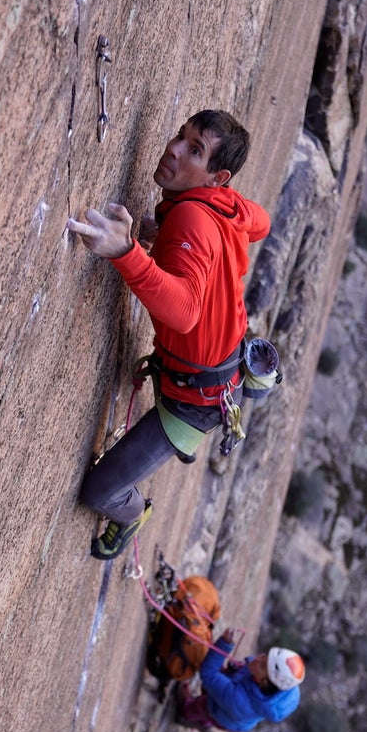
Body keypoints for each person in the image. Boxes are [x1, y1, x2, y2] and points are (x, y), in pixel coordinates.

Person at [67, 109, 271, 560]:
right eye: (182, 136)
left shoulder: (192, 220)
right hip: (215, 367)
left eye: (193, 149)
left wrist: (126, 251)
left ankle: (133, 513)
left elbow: (182, 312)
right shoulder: (225, 204)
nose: (174, 148)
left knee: (100, 492)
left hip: (192, 403)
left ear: (217, 177)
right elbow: (262, 222)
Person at [176, 631, 305, 732]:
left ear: (264, 681)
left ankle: (185, 714)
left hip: (225, 713)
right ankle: (205, 722)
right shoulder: (273, 688)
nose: (257, 658)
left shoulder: (239, 700)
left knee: (202, 705)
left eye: (262, 665)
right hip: (236, 716)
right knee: (216, 688)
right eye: (264, 655)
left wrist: (223, 646)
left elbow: (208, 674)